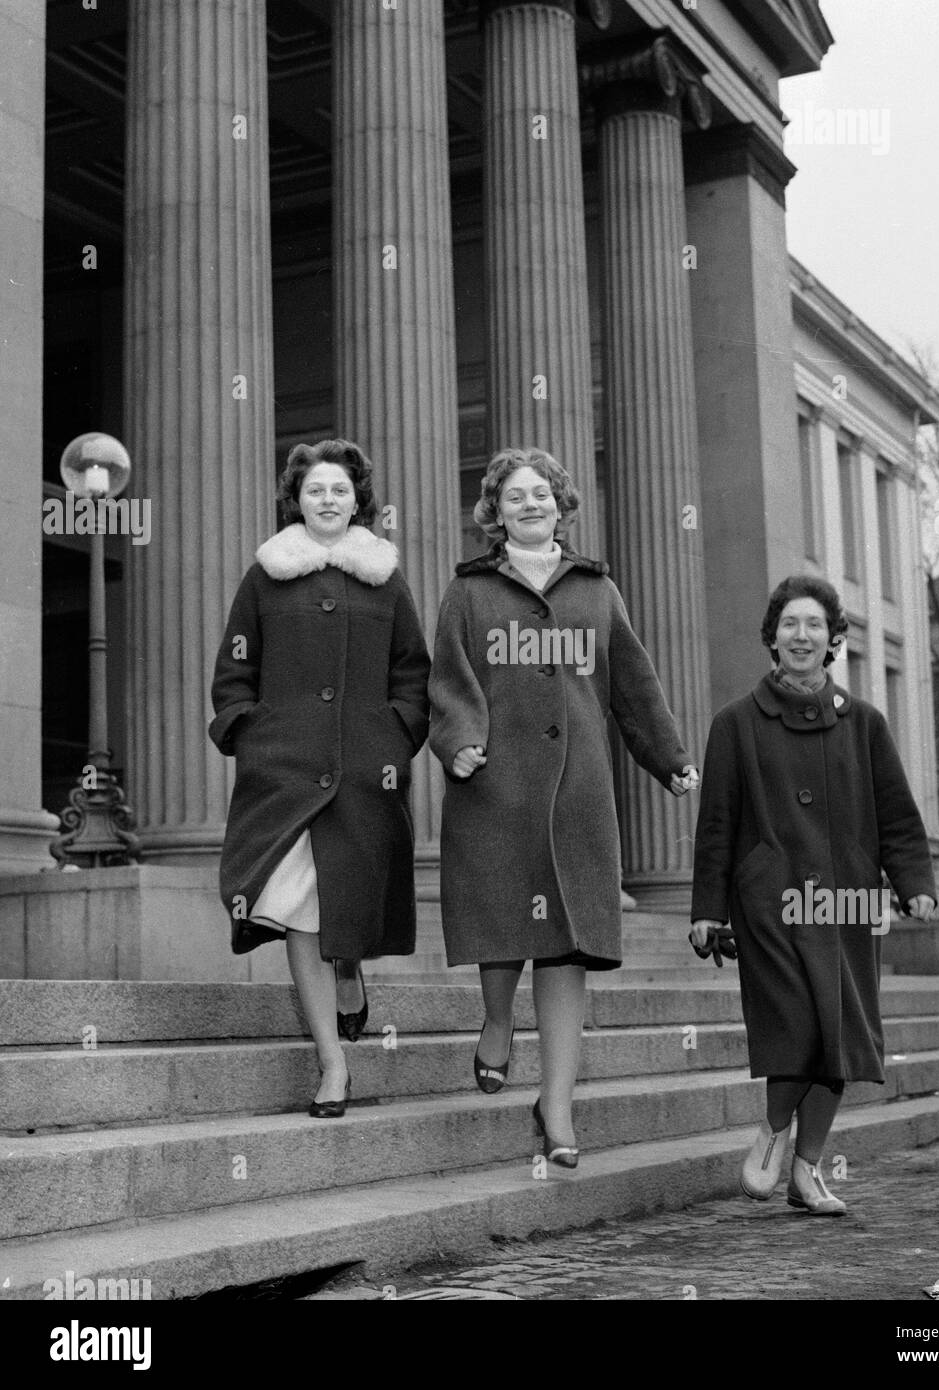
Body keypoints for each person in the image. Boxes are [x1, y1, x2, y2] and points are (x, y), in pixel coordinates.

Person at [429, 447, 698, 1167]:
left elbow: (633, 685)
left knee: (568, 944)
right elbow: (449, 682)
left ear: (561, 503)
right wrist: (457, 743)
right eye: (513, 496)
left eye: (540, 494)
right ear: (494, 512)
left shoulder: (596, 591)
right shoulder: (470, 592)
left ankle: (557, 1105)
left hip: (578, 790)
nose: (529, 504)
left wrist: (669, 758)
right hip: (495, 785)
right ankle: (494, 1022)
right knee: (501, 917)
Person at [691, 574, 936, 1214]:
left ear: (832, 640)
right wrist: (707, 910)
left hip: (846, 904)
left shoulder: (866, 725)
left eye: (814, 626)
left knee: (842, 1036)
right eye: (790, 625)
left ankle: (808, 1169)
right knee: (796, 1025)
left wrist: (914, 886)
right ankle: (774, 1130)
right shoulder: (735, 723)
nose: (802, 636)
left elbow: (898, 817)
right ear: (772, 637)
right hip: (768, 903)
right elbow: (716, 825)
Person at [209, 439, 430, 1118]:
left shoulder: (385, 580)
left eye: (339, 489)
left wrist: (394, 736)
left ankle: (350, 970)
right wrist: (250, 734)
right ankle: (332, 1064)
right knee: (297, 908)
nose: (327, 500)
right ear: (296, 500)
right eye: (314, 491)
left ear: (358, 499)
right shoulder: (265, 577)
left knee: (343, 902)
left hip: (364, 772)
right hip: (285, 775)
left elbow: (413, 674)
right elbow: (233, 672)